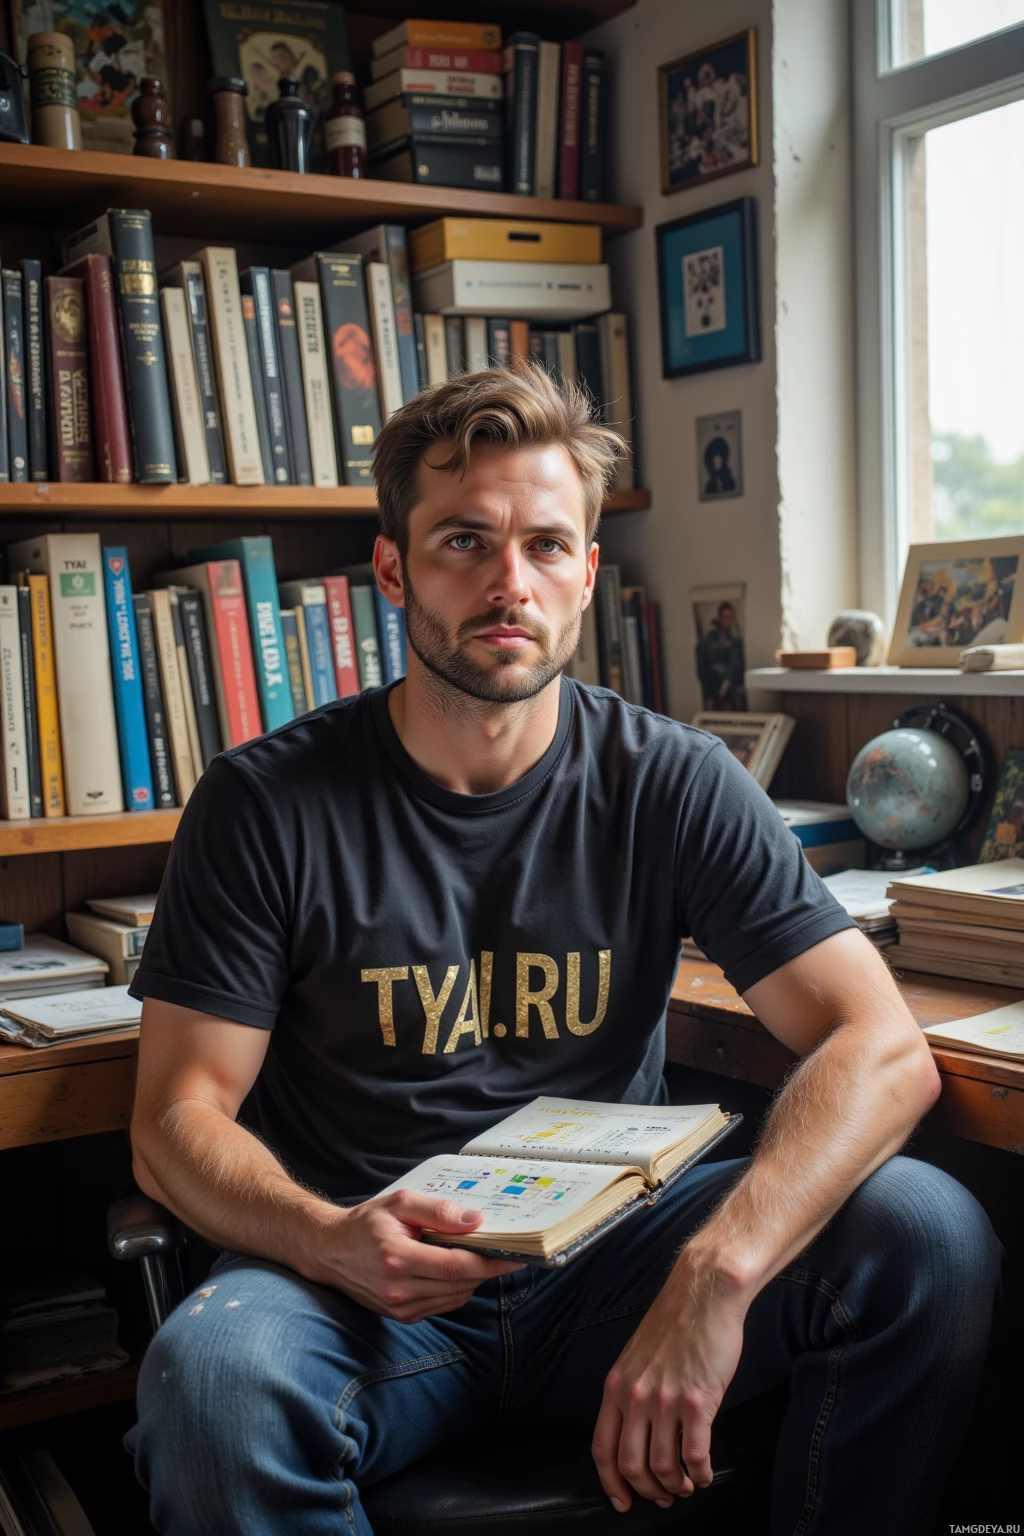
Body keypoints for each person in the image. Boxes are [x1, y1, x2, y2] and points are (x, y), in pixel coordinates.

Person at [126, 366, 1001, 1536]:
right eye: (462, 542)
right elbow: (174, 1120)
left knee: (927, 1231)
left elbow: (880, 1047)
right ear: (392, 570)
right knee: (210, 1384)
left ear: (587, 573)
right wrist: (324, 1239)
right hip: (361, 1285)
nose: (509, 583)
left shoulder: (672, 779)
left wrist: (714, 1275)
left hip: (610, 1261)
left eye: (545, 546)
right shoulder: (262, 804)